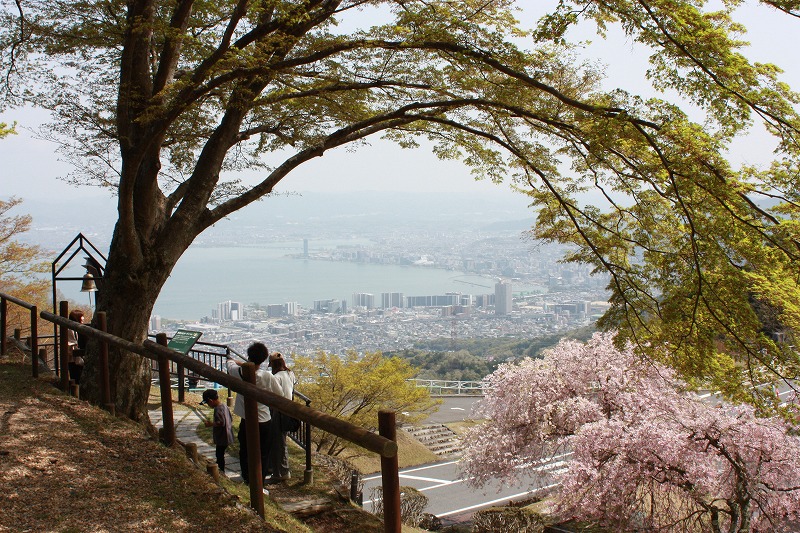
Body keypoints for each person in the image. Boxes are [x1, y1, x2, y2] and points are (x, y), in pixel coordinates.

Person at [226, 342, 282, 485]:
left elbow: (230, 364)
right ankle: (259, 482)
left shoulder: (238, 372)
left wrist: (235, 360)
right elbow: (280, 394)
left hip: (246, 420)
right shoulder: (266, 376)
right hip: (264, 420)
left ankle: (247, 478)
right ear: (263, 360)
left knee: (245, 450)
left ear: (249, 356)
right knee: (263, 453)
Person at [265, 352, 294, 484]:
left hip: (278, 411)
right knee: (280, 441)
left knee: (278, 443)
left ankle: (281, 472)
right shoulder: (290, 374)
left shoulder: (275, 377)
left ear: (272, 364)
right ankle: (275, 468)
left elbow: (275, 395)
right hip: (288, 410)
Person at [200, 389, 234, 474]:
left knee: (219, 455)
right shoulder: (224, 406)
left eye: (208, 403)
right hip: (228, 435)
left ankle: (221, 471)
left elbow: (221, 422)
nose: (208, 405)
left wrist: (210, 424)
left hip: (222, 437)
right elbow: (231, 418)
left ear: (211, 401)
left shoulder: (218, 409)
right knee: (220, 454)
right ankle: (219, 468)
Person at [66, 309, 87, 383]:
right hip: (74, 360)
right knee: (76, 378)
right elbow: (71, 344)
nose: (83, 318)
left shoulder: (77, 329)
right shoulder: (70, 330)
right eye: (81, 316)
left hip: (77, 358)